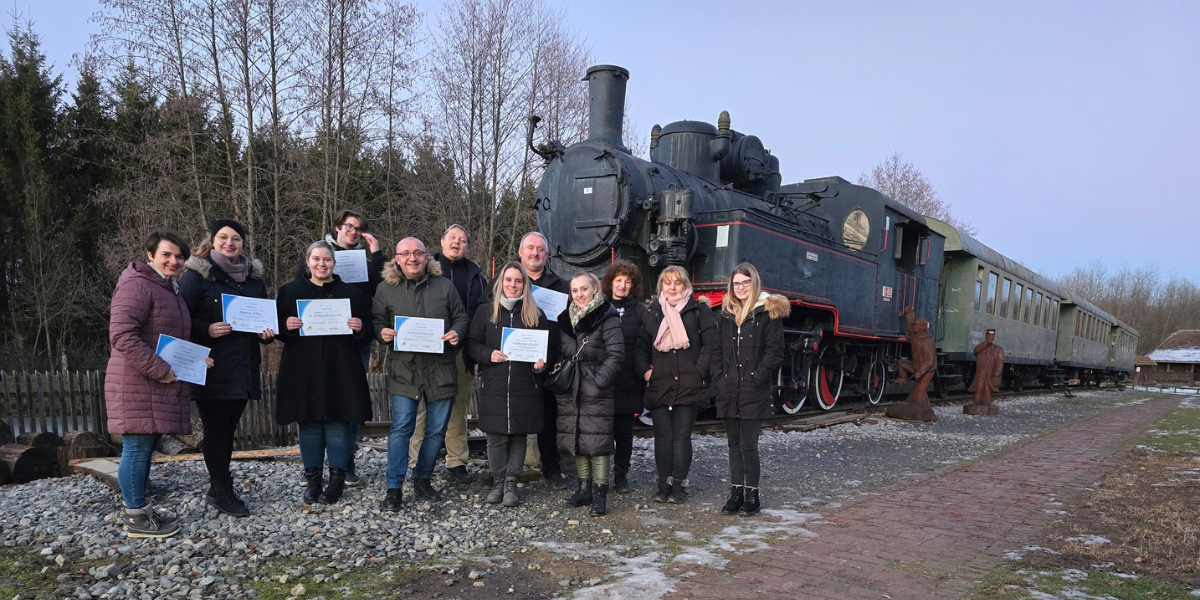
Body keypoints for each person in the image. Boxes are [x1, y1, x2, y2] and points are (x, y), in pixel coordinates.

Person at [106, 230, 206, 538]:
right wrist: (160, 369)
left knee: (145, 447)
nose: (174, 261)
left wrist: (195, 361)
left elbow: (168, 340)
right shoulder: (137, 285)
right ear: (150, 255)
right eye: (166, 254)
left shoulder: (167, 289)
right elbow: (122, 336)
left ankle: (140, 508)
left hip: (151, 382)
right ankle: (135, 516)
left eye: (179, 256)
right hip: (136, 382)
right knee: (136, 447)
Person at [181, 219, 274, 517]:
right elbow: (180, 320)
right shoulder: (195, 276)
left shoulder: (254, 280)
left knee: (228, 429)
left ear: (243, 244)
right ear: (212, 240)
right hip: (210, 365)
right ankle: (221, 489)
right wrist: (207, 329)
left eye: (236, 238)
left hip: (244, 365)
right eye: (223, 237)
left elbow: (261, 320)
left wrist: (266, 334)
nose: (229, 243)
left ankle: (218, 484)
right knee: (216, 431)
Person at [373, 237, 468, 510]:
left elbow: (461, 318)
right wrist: (382, 333)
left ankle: (423, 479)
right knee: (401, 428)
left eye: (418, 253)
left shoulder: (445, 286)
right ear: (397, 258)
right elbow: (377, 320)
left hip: (441, 369)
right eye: (406, 254)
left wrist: (456, 333)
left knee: (436, 431)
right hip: (405, 368)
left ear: (427, 257)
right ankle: (394, 487)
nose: (412, 258)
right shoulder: (385, 289)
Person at [275, 241, 374, 504]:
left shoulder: (352, 293)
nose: (322, 264)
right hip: (302, 367)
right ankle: (313, 480)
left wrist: (359, 327)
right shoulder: (289, 292)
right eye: (316, 259)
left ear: (334, 263)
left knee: (339, 424)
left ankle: (337, 480)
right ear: (307, 261)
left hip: (340, 366)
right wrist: (286, 325)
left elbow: (368, 333)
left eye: (327, 260)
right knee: (308, 423)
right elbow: (276, 331)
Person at [465, 262, 554, 506]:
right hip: (495, 383)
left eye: (518, 281)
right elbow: (471, 344)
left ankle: (511, 484)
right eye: (508, 280)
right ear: (500, 283)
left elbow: (546, 350)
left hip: (525, 385)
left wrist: (541, 364)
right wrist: (487, 355)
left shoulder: (536, 315)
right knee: (495, 437)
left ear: (525, 285)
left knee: (518, 437)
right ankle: (497, 482)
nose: (513, 285)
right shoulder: (486, 312)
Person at [410, 224, 489, 485]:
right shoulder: (423, 267)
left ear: (467, 246)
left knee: (458, 406)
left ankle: (456, 460)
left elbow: (483, 314)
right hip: (426, 348)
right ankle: (417, 462)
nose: (457, 243)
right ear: (442, 241)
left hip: (461, 350)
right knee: (422, 405)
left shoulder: (476, 275)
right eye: (452, 238)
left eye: (462, 240)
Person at [636, 266, 718, 504]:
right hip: (660, 382)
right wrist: (645, 372)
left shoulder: (699, 310)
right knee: (663, 437)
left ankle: (679, 486)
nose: (672, 287)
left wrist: (699, 371)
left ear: (685, 286)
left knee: (681, 437)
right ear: (661, 286)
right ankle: (663, 485)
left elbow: (710, 345)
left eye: (677, 283)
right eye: (667, 283)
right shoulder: (651, 312)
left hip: (689, 383)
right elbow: (641, 347)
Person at [714, 263, 789, 516]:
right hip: (729, 387)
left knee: (749, 445)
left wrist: (757, 377)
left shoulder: (767, 313)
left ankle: (752, 495)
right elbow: (716, 350)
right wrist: (720, 377)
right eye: (736, 283)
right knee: (732, 444)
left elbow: (775, 352)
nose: (741, 287)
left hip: (752, 389)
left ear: (754, 283)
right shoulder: (726, 314)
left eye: (745, 283)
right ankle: (736, 492)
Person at [323, 209, 384, 486]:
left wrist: (376, 254)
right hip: (322, 341)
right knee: (320, 402)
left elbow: (380, 288)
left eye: (358, 228)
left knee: (350, 403)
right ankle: (313, 465)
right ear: (337, 227)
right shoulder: (320, 254)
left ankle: (346, 463)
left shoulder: (366, 261)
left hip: (356, 341)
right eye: (349, 226)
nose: (353, 231)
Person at [556, 272, 624, 517]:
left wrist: (598, 383)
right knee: (578, 439)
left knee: (598, 442)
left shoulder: (607, 316)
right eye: (575, 290)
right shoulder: (565, 319)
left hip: (596, 389)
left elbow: (616, 355)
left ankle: (600, 495)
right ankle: (583, 490)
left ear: (595, 289)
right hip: (570, 388)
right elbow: (560, 352)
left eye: (584, 289)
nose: (579, 294)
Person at [515, 232, 571, 489]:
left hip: (548, 362)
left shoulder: (561, 286)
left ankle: (551, 469)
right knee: (512, 418)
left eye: (540, 249)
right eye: (530, 248)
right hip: (513, 362)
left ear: (547, 255)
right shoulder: (507, 281)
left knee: (549, 420)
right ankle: (505, 472)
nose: (535, 253)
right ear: (520, 253)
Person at [600, 260, 648, 493]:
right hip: (603, 380)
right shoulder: (599, 306)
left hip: (628, 379)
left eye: (627, 282)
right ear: (610, 283)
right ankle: (599, 477)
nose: (622, 285)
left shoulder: (640, 311)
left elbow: (644, 343)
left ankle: (621, 475)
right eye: (618, 281)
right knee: (600, 430)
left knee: (624, 432)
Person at [965, 328, 1004, 415]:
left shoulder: (998, 349)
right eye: (988, 335)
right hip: (981, 372)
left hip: (990, 373)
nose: (990, 337)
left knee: (987, 387)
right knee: (979, 386)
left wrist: (996, 375)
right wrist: (986, 342)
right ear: (986, 335)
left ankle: (987, 401)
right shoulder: (981, 348)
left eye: (992, 335)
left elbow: (999, 363)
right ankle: (977, 400)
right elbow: (976, 350)